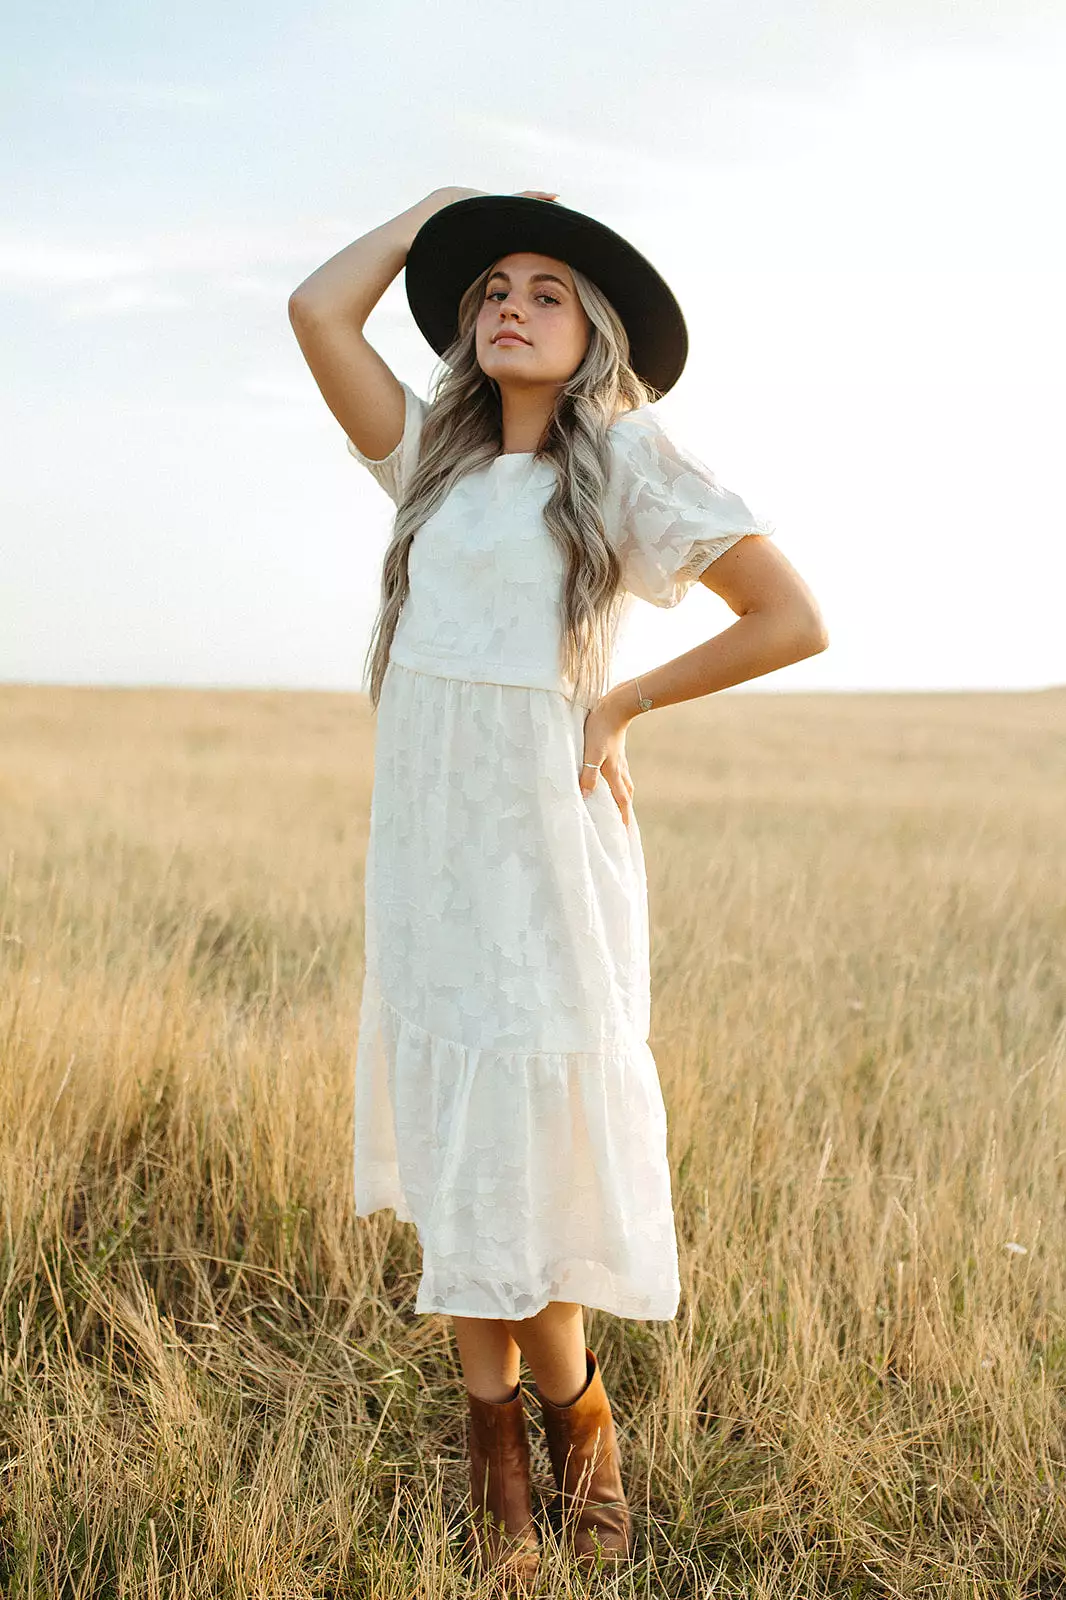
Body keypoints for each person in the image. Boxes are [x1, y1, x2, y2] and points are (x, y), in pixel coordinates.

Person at [288, 186, 828, 1592]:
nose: (506, 305)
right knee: (465, 1135)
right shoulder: (428, 463)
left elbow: (791, 616)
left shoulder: (626, 460)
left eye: (541, 288)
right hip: (429, 843)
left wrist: (627, 701)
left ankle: (578, 1424)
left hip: (544, 838)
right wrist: (434, 213)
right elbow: (313, 311)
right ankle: (494, 1455)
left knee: (539, 1128)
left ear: (592, 330)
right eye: (489, 290)